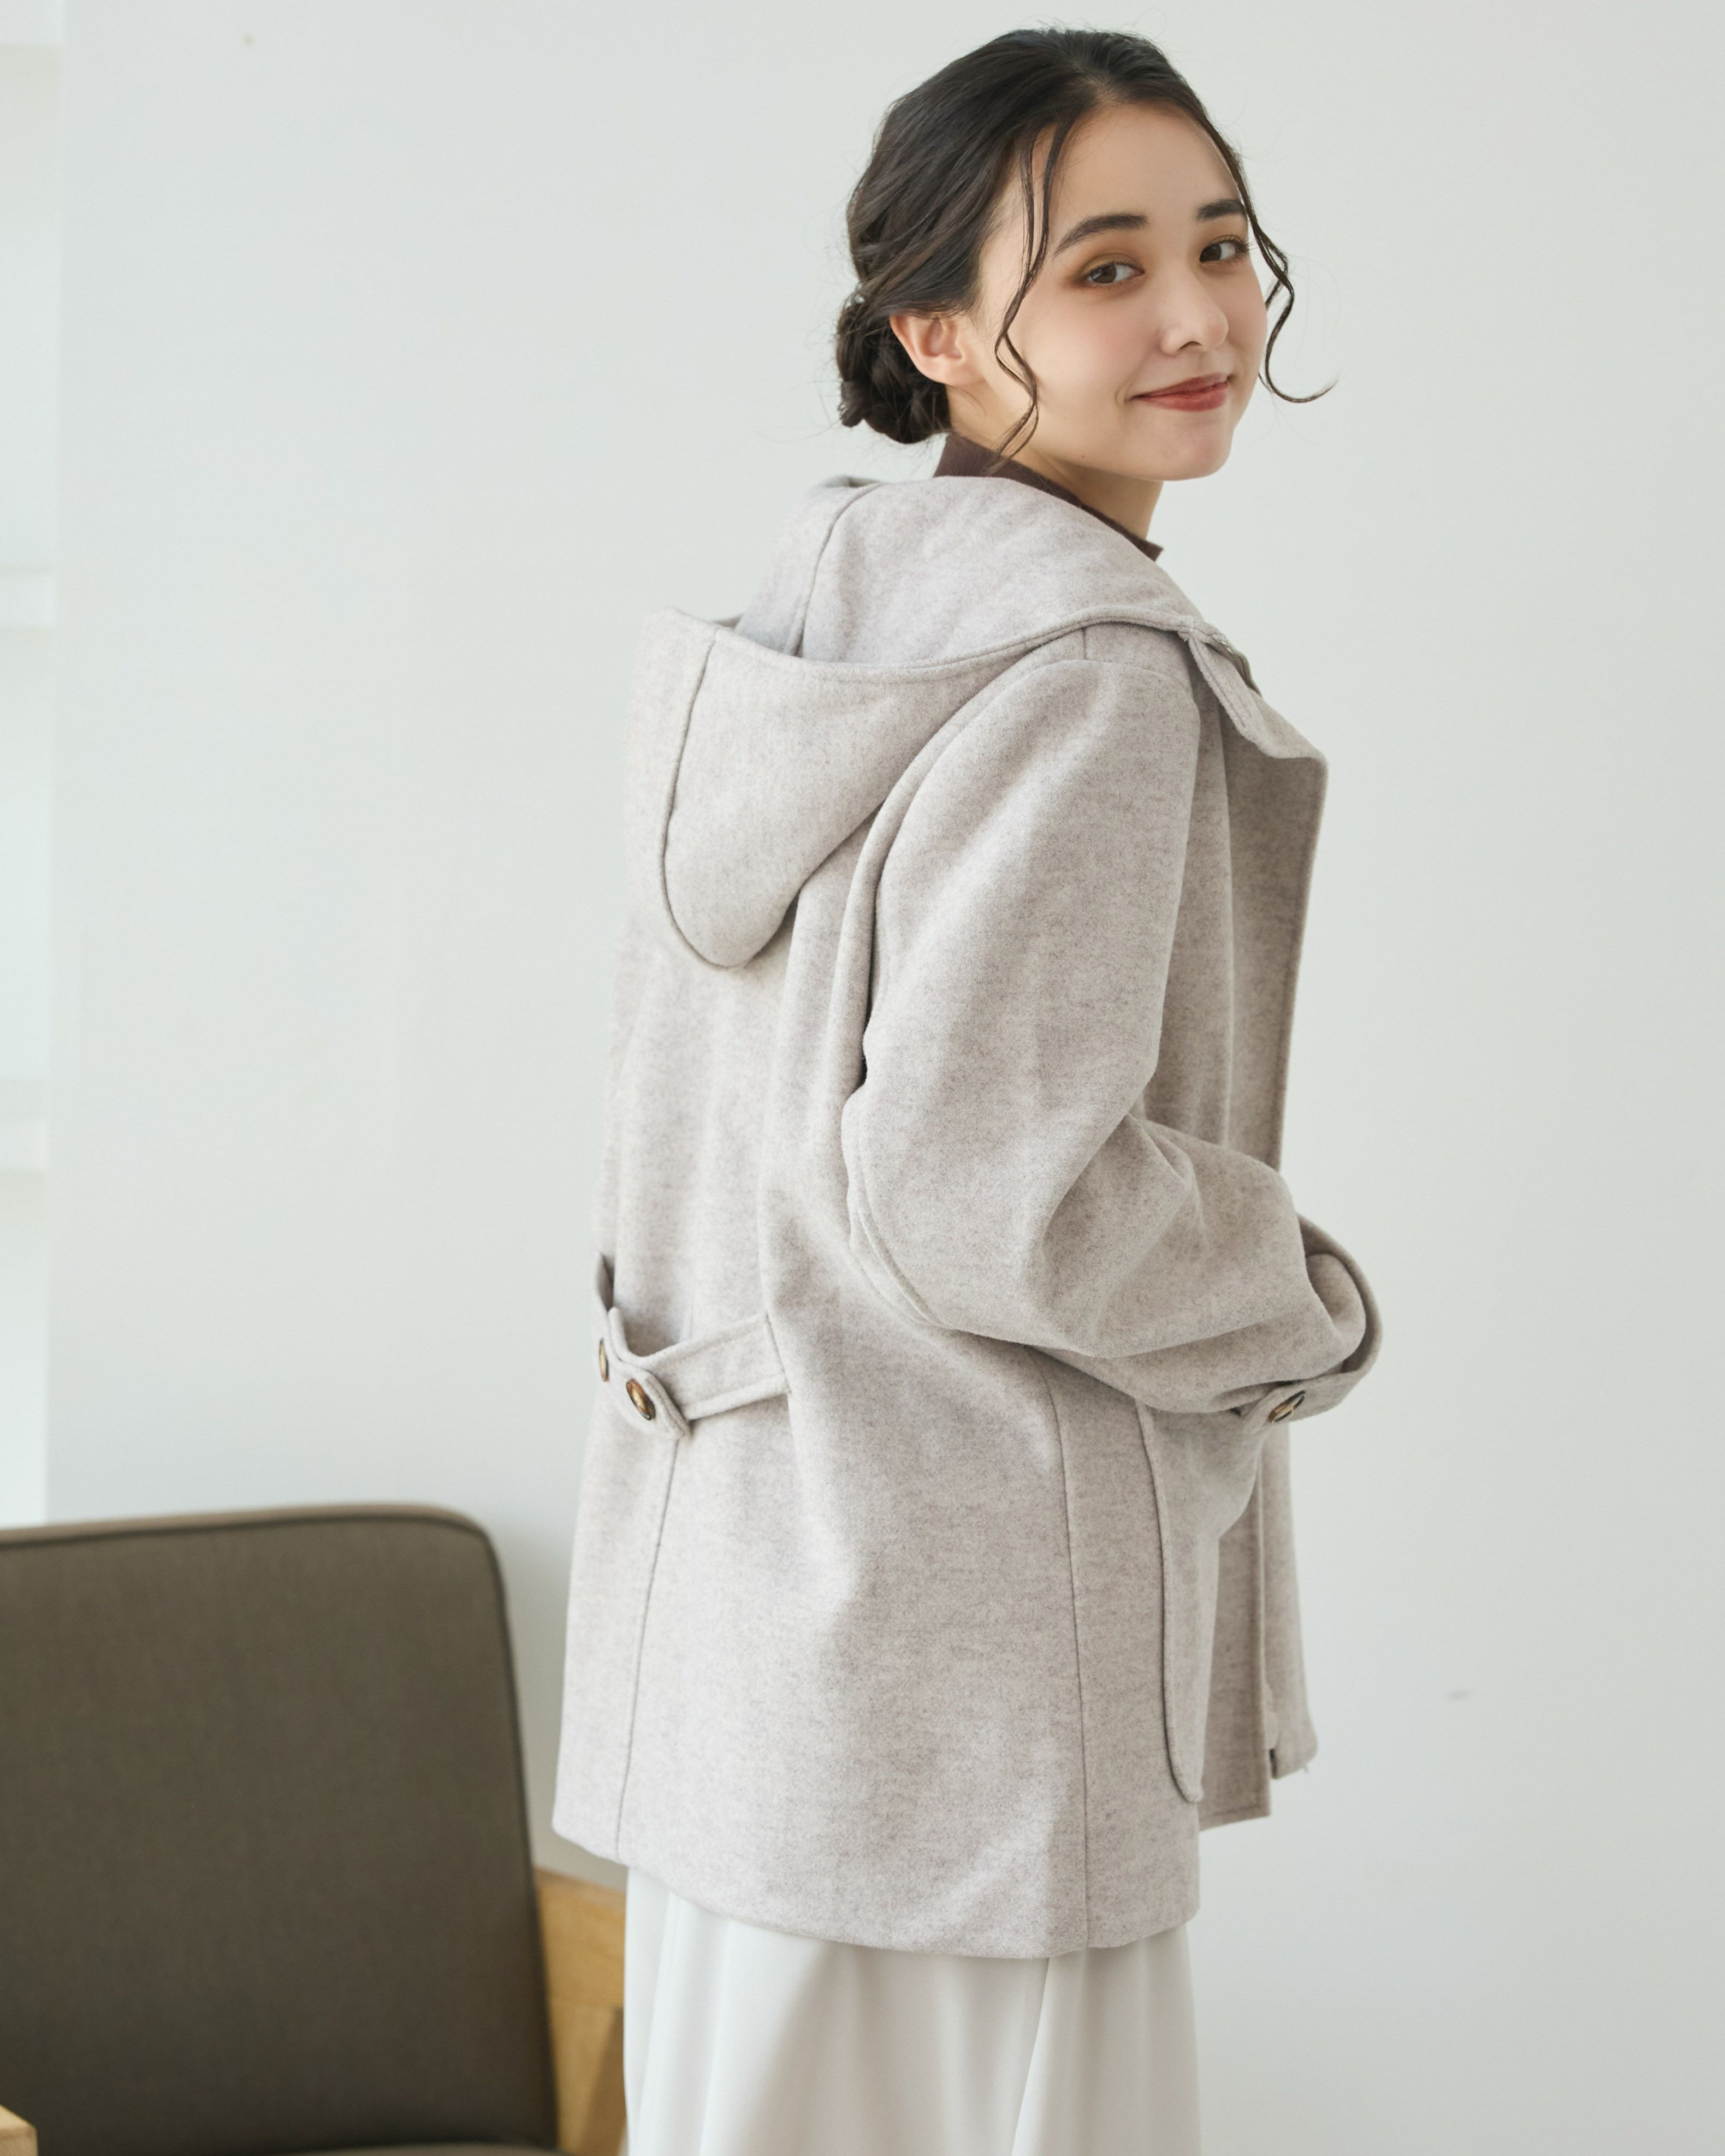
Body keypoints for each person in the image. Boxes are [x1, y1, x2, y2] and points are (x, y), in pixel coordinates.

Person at [554, 25, 1383, 2154]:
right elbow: (985, 1192)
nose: (1195, 316)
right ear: (932, 331)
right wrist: (1294, 1297)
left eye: (1219, 246)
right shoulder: (1089, 672)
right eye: (1104, 268)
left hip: (759, 1660)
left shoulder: (812, 631)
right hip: (979, 1685)